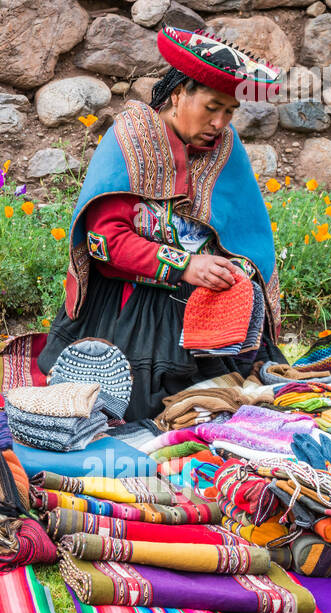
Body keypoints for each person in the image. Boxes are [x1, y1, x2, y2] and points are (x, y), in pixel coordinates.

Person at [37, 26, 287, 422]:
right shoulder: (132, 137)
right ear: (178, 94)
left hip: (206, 308)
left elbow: (244, 233)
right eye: (211, 107)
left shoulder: (224, 146)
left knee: (236, 405)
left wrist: (233, 273)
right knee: (136, 413)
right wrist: (186, 265)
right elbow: (105, 242)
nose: (220, 121)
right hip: (131, 308)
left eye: (229, 112)